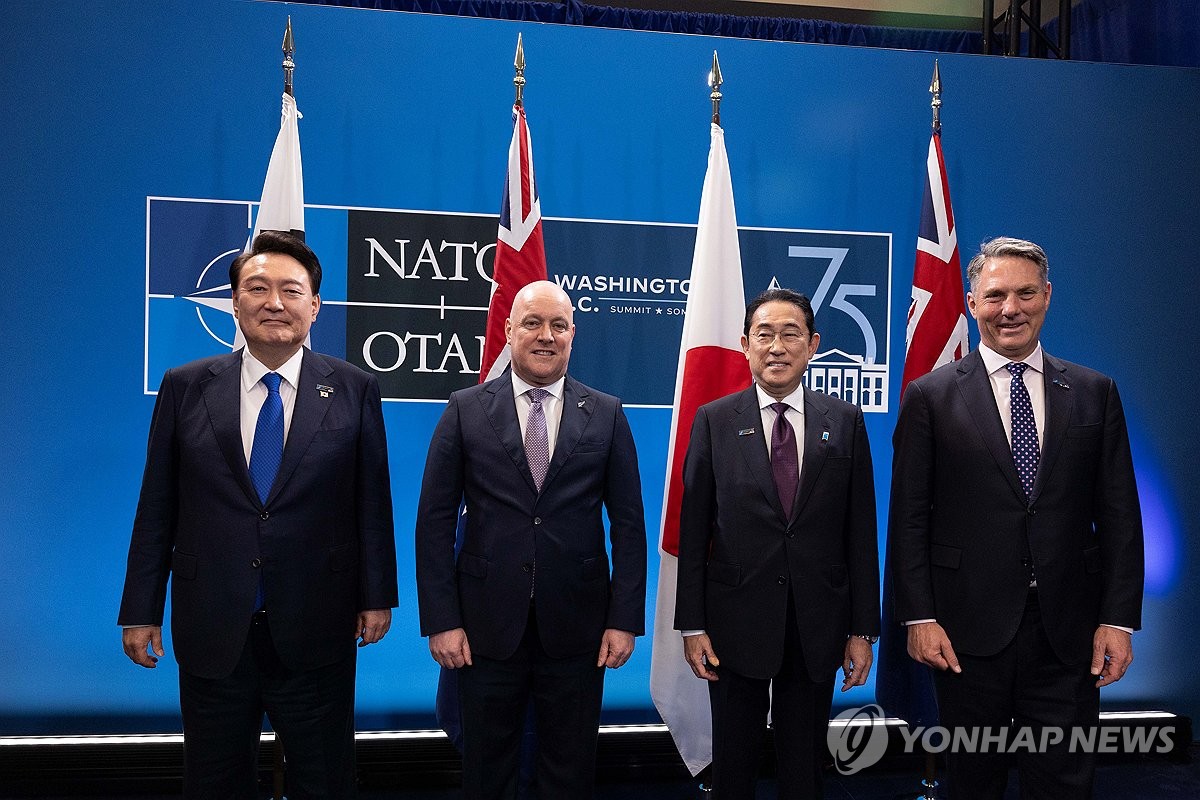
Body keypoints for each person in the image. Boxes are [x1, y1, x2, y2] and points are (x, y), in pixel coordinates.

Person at [118, 230, 398, 799]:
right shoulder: (185, 387)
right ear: (235, 302)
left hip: (319, 625)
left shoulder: (354, 389)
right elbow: (157, 507)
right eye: (258, 288)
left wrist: (377, 595)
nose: (275, 302)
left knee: (325, 779)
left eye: (291, 291)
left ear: (314, 306)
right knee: (215, 782)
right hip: (213, 626)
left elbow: (372, 502)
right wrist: (140, 608)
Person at [889, 236, 1144, 799]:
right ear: (972, 303)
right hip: (963, 633)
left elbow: (1121, 515)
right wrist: (919, 615)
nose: (1011, 309)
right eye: (996, 295)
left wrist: (1119, 619)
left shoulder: (1095, 393)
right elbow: (909, 518)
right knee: (972, 783)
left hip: (1068, 634)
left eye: (1025, 293)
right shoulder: (929, 397)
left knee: (1063, 784)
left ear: (1047, 296)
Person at [414, 279, 646, 800]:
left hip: (579, 629)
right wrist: (442, 621)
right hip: (484, 628)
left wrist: (624, 620)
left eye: (558, 325)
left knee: (568, 770)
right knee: (487, 771)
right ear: (508, 330)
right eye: (533, 324)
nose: (546, 336)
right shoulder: (465, 408)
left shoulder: (606, 413)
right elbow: (433, 521)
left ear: (572, 334)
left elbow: (629, 526)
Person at [675, 288, 880, 799]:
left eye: (791, 334)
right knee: (734, 771)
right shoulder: (714, 420)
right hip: (733, 628)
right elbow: (694, 530)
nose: (777, 346)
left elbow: (860, 533)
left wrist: (862, 631)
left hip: (816, 627)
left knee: (804, 773)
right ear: (745, 345)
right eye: (764, 334)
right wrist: (692, 624)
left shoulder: (846, 422)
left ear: (812, 345)